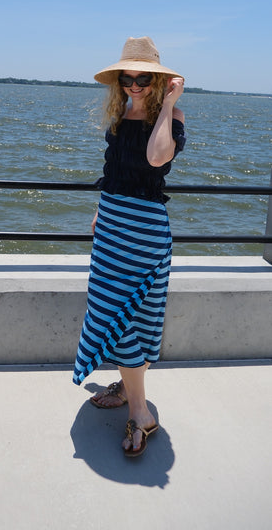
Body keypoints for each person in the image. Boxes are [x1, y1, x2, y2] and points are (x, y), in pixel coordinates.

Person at [72, 36, 185, 458]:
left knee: (120, 317)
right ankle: (126, 388)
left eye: (143, 79)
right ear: (119, 80)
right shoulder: (120, 117)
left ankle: (141, 413)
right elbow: (113, 171)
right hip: (112, 227)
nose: (134, 86)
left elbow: (157, 159)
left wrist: (170, 103)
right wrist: (103, 210)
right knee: (119, 314)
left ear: (157, 80)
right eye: (128, 78)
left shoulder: (170, 119)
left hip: (144, 233)